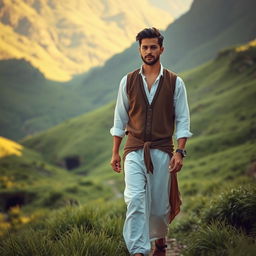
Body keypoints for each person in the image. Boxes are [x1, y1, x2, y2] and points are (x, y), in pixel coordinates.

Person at [110, 27, 192, 256]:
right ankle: (138, 251)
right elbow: (120, 119)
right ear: (139, 50)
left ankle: (160, 241)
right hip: (134, 149)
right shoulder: (127, 81)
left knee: (158, 206)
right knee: (135, 199)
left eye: (153, 47)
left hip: (163, 150)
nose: (148, 51)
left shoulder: (176, 83)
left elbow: (184, 120)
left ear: (161, 49)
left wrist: (180, 152)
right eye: (144, 47)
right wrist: (115, 152)